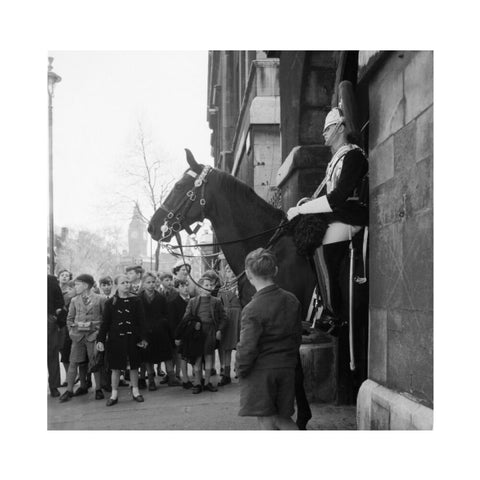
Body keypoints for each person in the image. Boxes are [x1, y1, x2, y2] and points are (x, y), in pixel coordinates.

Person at [286, 105, 369, 403]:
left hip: (352, 219)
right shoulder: (336, 159)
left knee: (320, 244)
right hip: (339, 215)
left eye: (326, 129)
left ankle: (332, 312)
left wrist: (302, 208)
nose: (322, 136)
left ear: (338, 127)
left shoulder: (354, 156)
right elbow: (326, 195)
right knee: (308, 240)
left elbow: (337, 198)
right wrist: (309, 201)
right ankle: (320, 304)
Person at [236, 248, 302, 430]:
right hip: (286, 367)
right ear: (275, 271)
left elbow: (247, 347)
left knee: (266, 421)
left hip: (261, 372)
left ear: (248, 274)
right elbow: (297, 337)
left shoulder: (252, 308)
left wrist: (240, 368)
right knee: (283, 418)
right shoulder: (292, 300)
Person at [96, 274, 148, 406]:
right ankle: (114, 394)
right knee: (115, 367)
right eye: (123, 282)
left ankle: (135, 391)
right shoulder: (110, 302)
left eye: (128, 282)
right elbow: (105, 323)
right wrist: (100, 340)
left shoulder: (136, 301)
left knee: (134, 366)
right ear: (117, 285)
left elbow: (142, 321)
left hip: (132, 338)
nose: (127, 285)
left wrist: (143, 338)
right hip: (115, 340)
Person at [59, 274, 106, 403]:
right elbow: (69, 319)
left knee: (94, 362)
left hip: (93, 336)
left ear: (85, 285)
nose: (75, 287)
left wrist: (98, 332)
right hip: (77, 336)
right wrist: (71, 331)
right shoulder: (74, 300)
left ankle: (98, 389)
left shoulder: (101, 299)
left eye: (78, 284)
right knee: (73, 362)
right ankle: (69, 390)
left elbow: (106, 319)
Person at [180, 275, 227, 394]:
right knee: (197, 358)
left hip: (210, 331)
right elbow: (186, 318)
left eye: (211, 285)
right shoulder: (193, 301)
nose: (209, 287)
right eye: (206, 285)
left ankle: (207, 383)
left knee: (209, 356)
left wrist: (219, 330)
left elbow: (224, 317)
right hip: (197, 333)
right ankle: (197, 383)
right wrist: (193, 324)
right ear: (200, 288)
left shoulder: (216, 301)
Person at [138, 272, 180, 389]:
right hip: (146, 332)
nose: (151, 285)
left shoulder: (160, 298)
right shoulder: (139, 299)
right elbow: (137, 318)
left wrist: (164, 325)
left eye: (153, 282)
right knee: (148, 357)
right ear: (143, 284)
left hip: (160, 331)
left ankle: (172, 377)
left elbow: (166, 314)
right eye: (148, 282)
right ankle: (151, 380)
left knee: (167, 355)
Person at [218, 263, 242, 386]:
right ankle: (226, 374)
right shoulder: (222, 289)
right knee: (226, 347)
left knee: (239, 345)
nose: (231, 273)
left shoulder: (241, 287)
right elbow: (219, 306)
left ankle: (239, 369)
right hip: (227, 319)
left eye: (233, 271)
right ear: (225, 274)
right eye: (228, 271)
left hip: (239, 317)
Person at [168, 279, 193, 388]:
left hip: (192, 334)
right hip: (181, 334)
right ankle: (185, 378)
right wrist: (176, 337)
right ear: (177, 288)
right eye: (182, 286)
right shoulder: (174, 303)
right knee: (182, 357)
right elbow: (173, 322)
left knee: (194, 355)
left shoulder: (193, 300)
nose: (185, 288)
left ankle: (197, 377)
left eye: (187, 285)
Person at [47, 274, 65, 397]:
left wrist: (56, 319)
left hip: (48, 320)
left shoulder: (51, 280)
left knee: (52, 354)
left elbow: (60, 301)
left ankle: (54, 386)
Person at [57, 270, 75, 386]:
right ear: (58, 277)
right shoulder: (54, 290)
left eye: (66, 276)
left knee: (66, 350)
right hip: (56, 323)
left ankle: (70, 377)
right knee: (60, 349)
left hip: (66, 323)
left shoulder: (71, 292)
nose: (64, 277)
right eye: (62, 275)